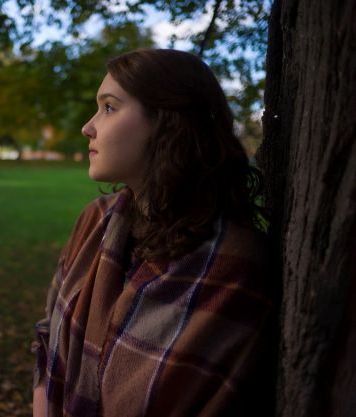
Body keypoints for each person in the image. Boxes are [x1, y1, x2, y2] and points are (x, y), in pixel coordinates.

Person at [31, 49, 277, 417]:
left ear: (167, 122)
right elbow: (47, 337)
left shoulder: (238, 266)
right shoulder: (94, 221)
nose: (88, 126)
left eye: (109, 107)